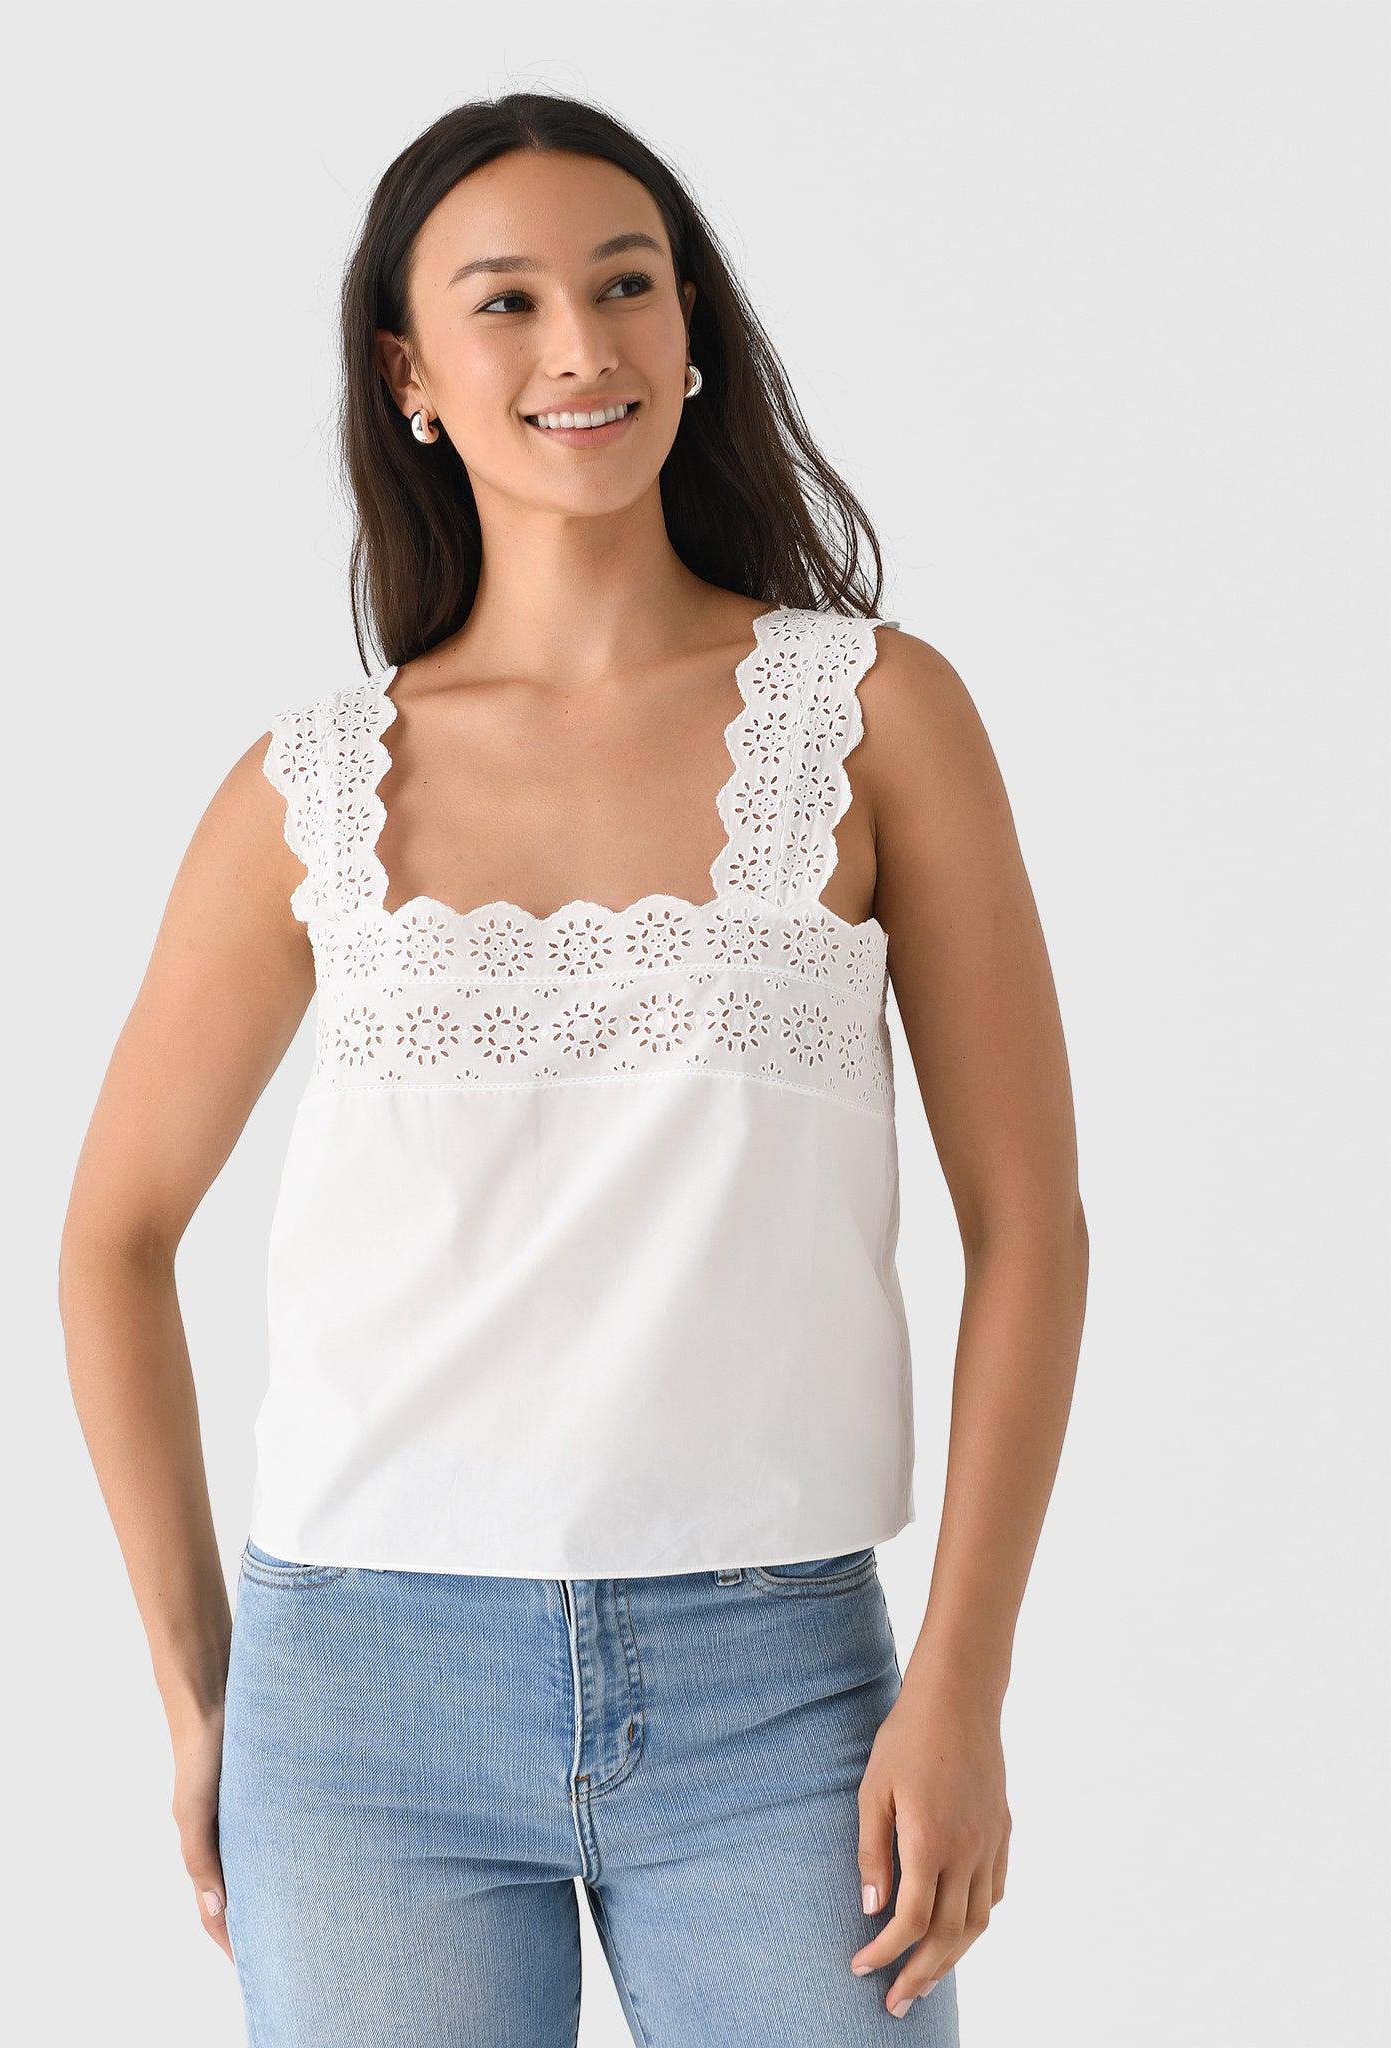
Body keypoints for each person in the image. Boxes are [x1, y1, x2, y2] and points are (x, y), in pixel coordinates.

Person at [59, 90, 1088, 2048]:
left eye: (625, 286)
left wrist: (961, 1680)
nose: (580, 346)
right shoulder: (309, 788)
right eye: (506, 301)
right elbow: (112, 1234)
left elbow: (1030, 1225)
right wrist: (199, 1687)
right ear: (411, 374)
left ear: (691, 327)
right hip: (360, 1703)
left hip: (780, 1689)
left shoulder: (877, 718)